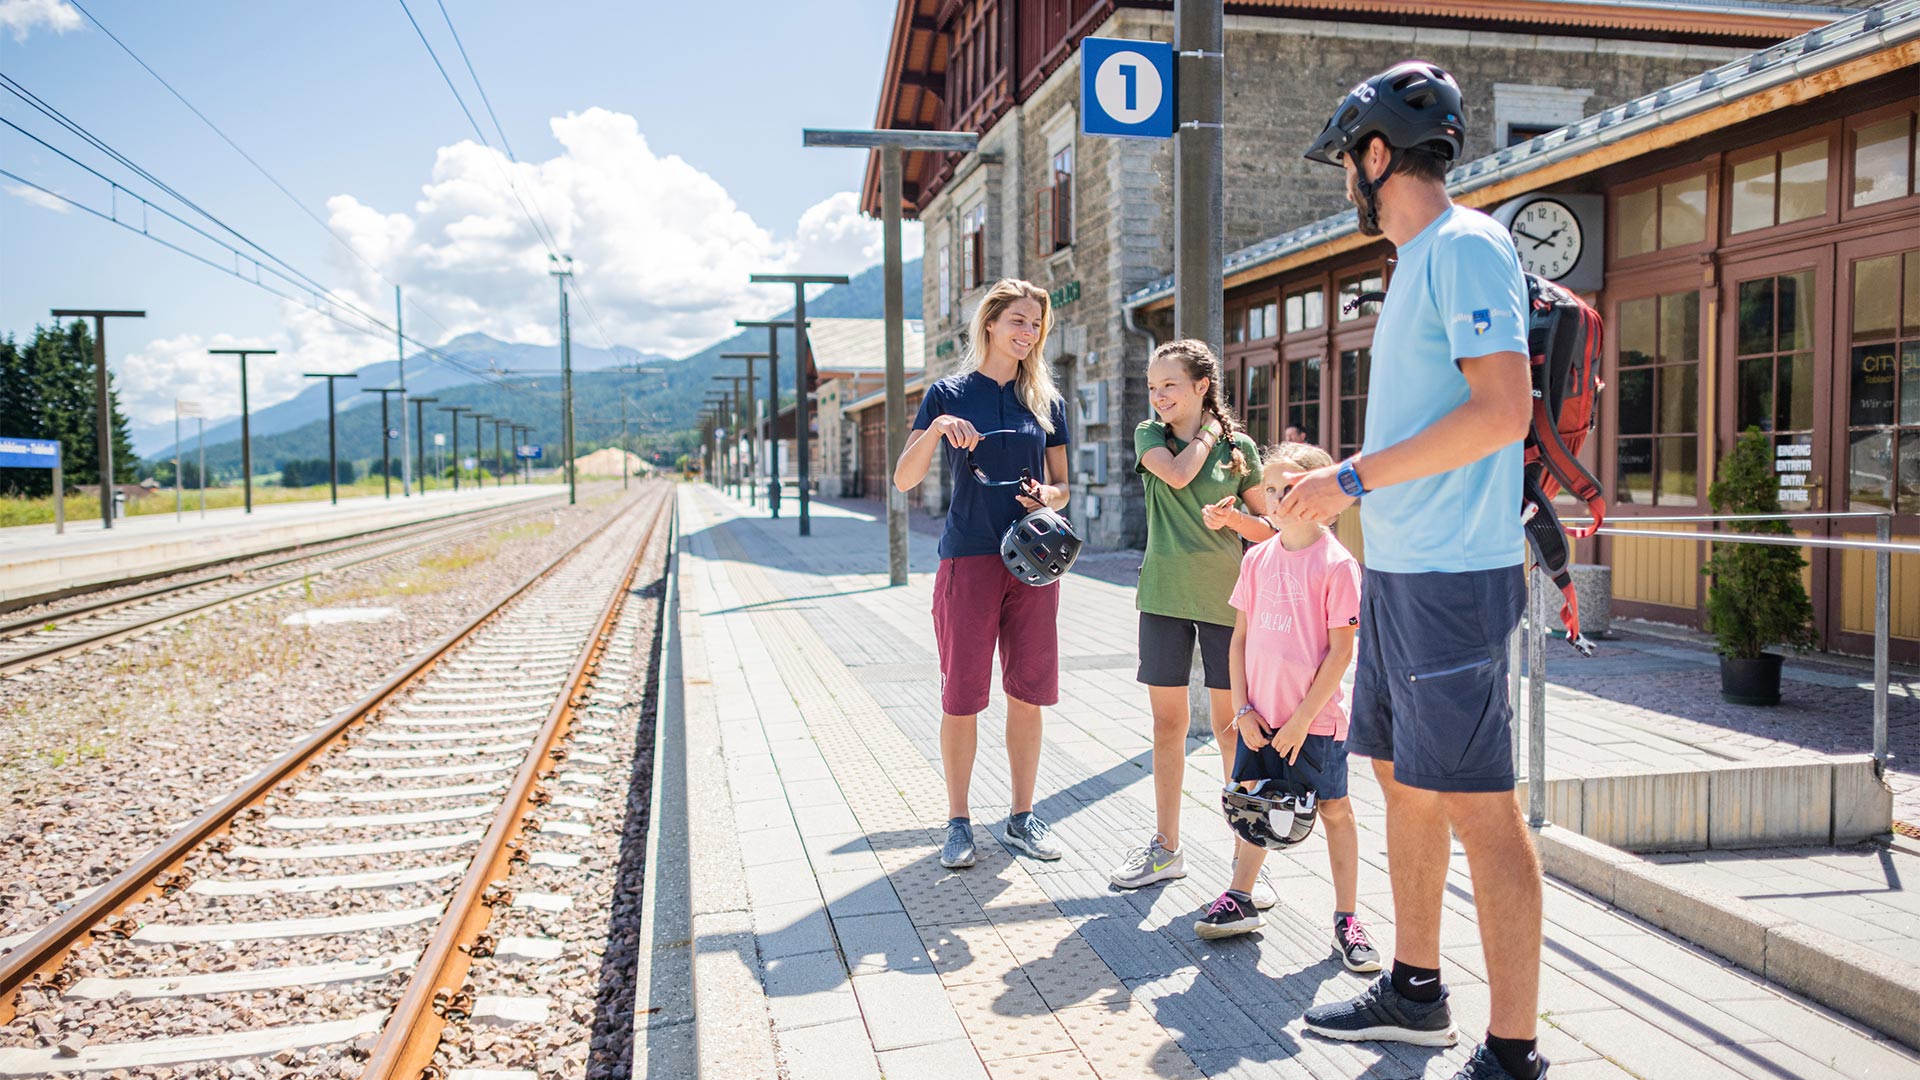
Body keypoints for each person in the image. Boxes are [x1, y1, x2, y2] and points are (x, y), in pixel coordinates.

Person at [1281, 62, 1545, 1080]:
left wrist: (1348, 476)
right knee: (1403, 781)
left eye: (1348, 163)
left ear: (1377, 155)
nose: (1345, 182)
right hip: (1403, 574)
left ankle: (1515, 1052)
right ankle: (1417, 988)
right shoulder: (1421, 262)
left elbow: (1501, 412)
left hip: (1450, 581)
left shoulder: (1467, 248)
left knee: (1482, 806)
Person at [893, 278, 1073, 870]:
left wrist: (1049, 494)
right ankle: (958, 822)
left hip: (1032, 561)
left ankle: (1022, 817)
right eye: (1017, 321)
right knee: (963, 697)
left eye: (1035, 325)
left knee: (1028, 694)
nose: (1027, 333)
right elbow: (904, 478)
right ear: (990, 323)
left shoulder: (1047, 400)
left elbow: (1063, 486)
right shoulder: (948, 392)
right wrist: (941, 428)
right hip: (968, 558)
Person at [1193, 442, 1380, 979]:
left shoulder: (1338, 565)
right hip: (1260, 717)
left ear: (1317, 495)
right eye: (1269, 489)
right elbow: (1238, 641)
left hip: (1314, 722)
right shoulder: (1256, 557)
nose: (1276, 498)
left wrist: (1300, 721)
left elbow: (1342, 651)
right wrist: (1243, 709)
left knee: (1334, 811)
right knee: (1254, 804)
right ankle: (1240, 896)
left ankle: (1347, 919)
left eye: (1289, 488)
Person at [1108, 340, 1276, 904]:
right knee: (1167, 727)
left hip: (1228, 602)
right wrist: (1208, 432)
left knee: (1232, 730)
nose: (1158, 397)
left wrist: (1237, 519)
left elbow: (1270, 527)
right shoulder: (1150, 436)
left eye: (1170, 386)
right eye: (1154, 387)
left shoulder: (1241, 449)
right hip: (1162, 597)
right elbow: (1178, 477)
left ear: (1202, 385)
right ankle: (1166, 847)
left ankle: (1245, 854)